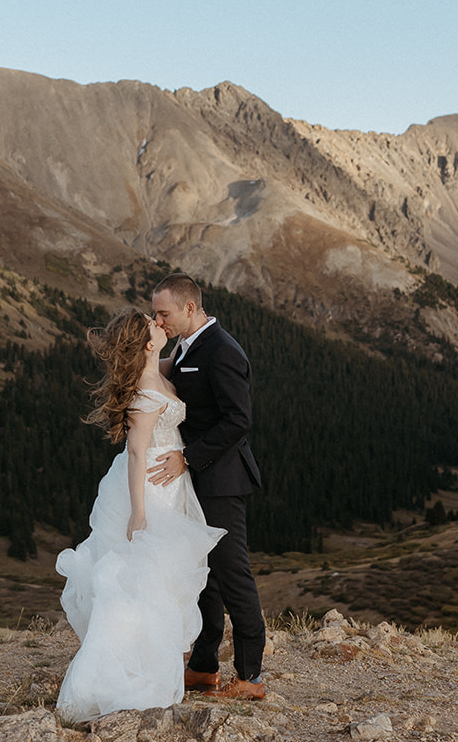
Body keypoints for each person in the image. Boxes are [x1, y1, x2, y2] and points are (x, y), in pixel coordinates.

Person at [55, 308, 226, 722]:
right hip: (149, 488)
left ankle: (150, 663)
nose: (159, 322)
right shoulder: (147, 390)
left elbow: (183, 358)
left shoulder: (158, 370)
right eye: (153, 322)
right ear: (149, 343)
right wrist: (138, 513)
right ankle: (122, 675)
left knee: (160, 580)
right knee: (142, 580)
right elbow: (135, 452)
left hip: (168, 485)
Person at [148, 273, 267, 700]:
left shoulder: (222, 351)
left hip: (222, 479)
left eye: (163, 313)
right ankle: (203, 666)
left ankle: (251, 677)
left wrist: (189, 457)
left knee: (232, 574)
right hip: (196, 479)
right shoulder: (185, 344)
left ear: (190, 309)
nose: (157, 320)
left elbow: (239, 419)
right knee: (205, 578)